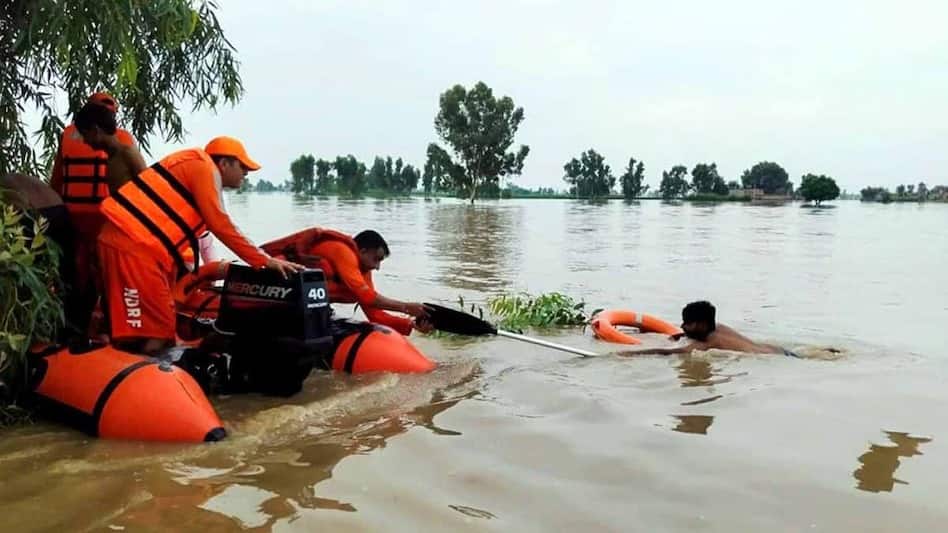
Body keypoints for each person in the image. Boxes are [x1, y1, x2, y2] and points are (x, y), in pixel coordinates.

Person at [96, 136, 304, 355]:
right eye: (243, 166)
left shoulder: (197, 171)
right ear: (224, 163)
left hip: (129, 244)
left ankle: (125, 360)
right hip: (132, 247)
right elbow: (221, 225)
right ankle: (149, 379)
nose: (246, 173)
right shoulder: (204, 168)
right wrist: (263, 260)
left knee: (142, 329)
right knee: (159, 335)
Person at [188, 227, 432, 335]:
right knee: (229, 272)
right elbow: (368, 297)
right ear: (362, 249)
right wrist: (406, 307)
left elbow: (375, 314)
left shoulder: (362, 271)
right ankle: (190, 283)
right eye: (376, 259)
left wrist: (410, 324)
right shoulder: (342, 251)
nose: (377, 266)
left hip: (293, 303)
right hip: (272, 275)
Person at [48, 92, 138, 335]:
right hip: (104, 221)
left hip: (74, 218)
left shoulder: (67, 135)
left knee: (77, 276)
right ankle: (110, 328)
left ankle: (73, 327)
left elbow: (56, 181)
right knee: (105, 276)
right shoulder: (123, 140)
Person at [0, 173, 83, 338]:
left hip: (34, 216)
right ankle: (73, 329)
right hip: (59, 211)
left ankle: (42, 330)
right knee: (66, 276)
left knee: (24, 274)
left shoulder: (7, 187)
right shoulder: (14, 179)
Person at [624, 301, 802, 357]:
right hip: (780, 351)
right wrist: (677, 335)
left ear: (701, 324)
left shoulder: (707, 344)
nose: (682, 326)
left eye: (687, 323)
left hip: (771, 357)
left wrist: (627, 354)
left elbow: (663, 352)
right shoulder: (718, 327)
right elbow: (685, 336)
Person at [71, 101, 147, 195]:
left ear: (95, 130)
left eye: (85, 134)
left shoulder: (128, 153)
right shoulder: (110, 159)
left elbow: (149, 189)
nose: (85, 141)